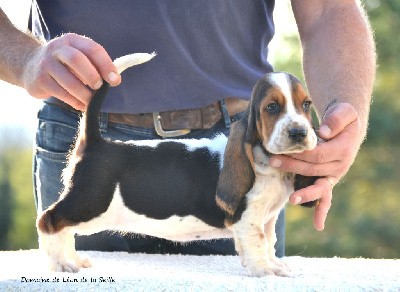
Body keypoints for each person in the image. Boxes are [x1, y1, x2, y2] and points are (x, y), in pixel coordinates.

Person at [0, 1, 375, 256]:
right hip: (93, 141)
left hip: (238, 148)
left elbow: (328, 8)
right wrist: (25, 58)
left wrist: (342, 118)